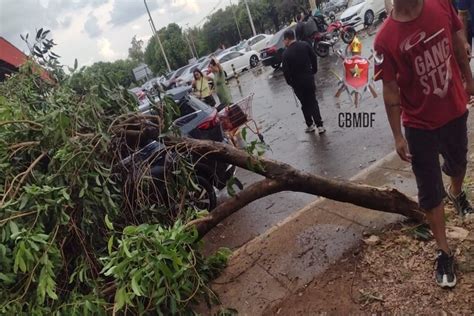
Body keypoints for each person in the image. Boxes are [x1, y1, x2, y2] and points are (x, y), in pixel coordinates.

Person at [374, 0, 474, 288]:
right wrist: (397, 135)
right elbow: (390, 89)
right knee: (430, 193)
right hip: (419, 125)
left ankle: (457, 193)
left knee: (458, 164)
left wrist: (468, 80)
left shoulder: (441, 4)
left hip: (453, 108)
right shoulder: (384, 39)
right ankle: (444, 252)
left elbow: (458, 42)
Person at [282, 29, 325, 134]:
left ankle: (310, 124)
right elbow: (314, 57)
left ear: (287, 39)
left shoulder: (286, 54)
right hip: (308, 79)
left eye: (284, 40)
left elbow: (286, 72)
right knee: (313, 101)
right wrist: (313, 70)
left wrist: (290, 83)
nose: (284, 42)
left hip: (297, 84)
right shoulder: (305, 45)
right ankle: (320, 126)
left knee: (304, 103)